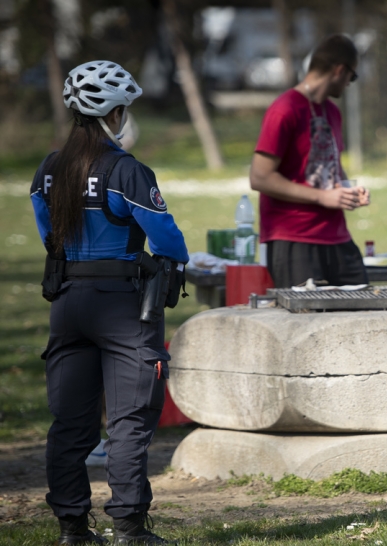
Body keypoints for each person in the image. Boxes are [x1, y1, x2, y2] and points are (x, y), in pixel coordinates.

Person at [30, 61, 187, 544]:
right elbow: (168, 243)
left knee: (71, 425)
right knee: (128, 422)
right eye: (127, 109)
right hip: (123, 308)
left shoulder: (49, 171)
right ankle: (129, 528)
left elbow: (47, 234)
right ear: (114, 113)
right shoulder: (127, 172)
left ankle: (72, 529)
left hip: (68, 304)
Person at [250, 34, 370, 288]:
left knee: (364, 310)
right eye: (353, 76)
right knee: (306, 323)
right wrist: (321, 197)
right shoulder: (284, 109)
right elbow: (260, 177)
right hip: (294, 238)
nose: (350, 84)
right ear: (339, 70)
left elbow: (329, 165)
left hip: (336, 237)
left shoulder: (333, 112)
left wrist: (347, 189)